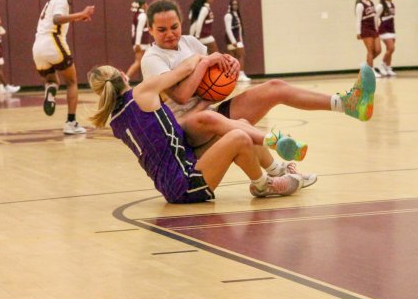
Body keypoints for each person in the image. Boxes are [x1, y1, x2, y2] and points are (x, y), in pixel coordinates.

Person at [140, 0, 376, 179]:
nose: (170, 34)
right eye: (162, 30)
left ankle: (347, 104)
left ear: (181, 23)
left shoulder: (190, 43)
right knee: (238, 127)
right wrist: (203, 63)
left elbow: (213, 77)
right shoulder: (152, 58)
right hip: (184, 131)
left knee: (275, 87)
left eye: (174, 26)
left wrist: (228, 65)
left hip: (209, 113)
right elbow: (181, 97)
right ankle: (277, 170)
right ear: (150, 30)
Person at [88, 59, 307, 201]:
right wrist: (205, 59)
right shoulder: (142, 92)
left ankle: (277, 158)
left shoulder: (115, 121)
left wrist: (204, 112)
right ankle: (263, 185)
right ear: (122, 74)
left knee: (238, 124)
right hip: (184, 182)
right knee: (239, 137)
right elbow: (185, 69)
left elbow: (165, 133)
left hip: (176, 174)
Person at [32, 0, 94, 134]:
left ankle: (51, 89)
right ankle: (71, 123)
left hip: (38, 47)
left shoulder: (52, 0)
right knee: (72, 82)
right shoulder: (61, 0)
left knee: (52, 79)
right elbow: (57, 19)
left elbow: (55, 20)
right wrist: (81, 14)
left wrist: (78, 18)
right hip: (53, 43)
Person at [355, 0, 381, 78]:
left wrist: (377, 28)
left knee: (378, 50)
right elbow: (358, 19)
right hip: (366, 29)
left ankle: (365, 65)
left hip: (374, 29)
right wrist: (358, 32)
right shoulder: (360, 5)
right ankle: (370, 71)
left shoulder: (371, 3)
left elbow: (375, 17)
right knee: (370, 50)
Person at [224, 0, 250, 81]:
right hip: (234, 41)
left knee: (235, 57)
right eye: (233, 4)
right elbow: (228, 29)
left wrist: (241, 40)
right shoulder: (228, 15)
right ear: (230, 6)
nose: (235, 6)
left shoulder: (236, 15)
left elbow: (239, 30)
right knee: (240, 56)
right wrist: (233, 41)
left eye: (236, 4)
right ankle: (240, 74)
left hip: (238, 40)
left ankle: (235, 75)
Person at [126, 0, 151, 81]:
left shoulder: (137, 14)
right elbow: (139, 30)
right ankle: (125, 79)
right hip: (141, 42)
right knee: (138, 62)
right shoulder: (142, 15)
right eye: (146, 4)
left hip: (142, 42)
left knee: (148, 61)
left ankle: (149, 80)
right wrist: (137, 44)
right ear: (143, 5)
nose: (147, 5)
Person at [376, 0, 396, 76]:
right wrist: (376, 28)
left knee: (390, 50)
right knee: (391, 48)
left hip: (391, 29)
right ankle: (381, 65)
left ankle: (388, 67)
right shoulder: (381, 6)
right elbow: (375, 17)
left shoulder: (392, 5)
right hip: (384, 29)